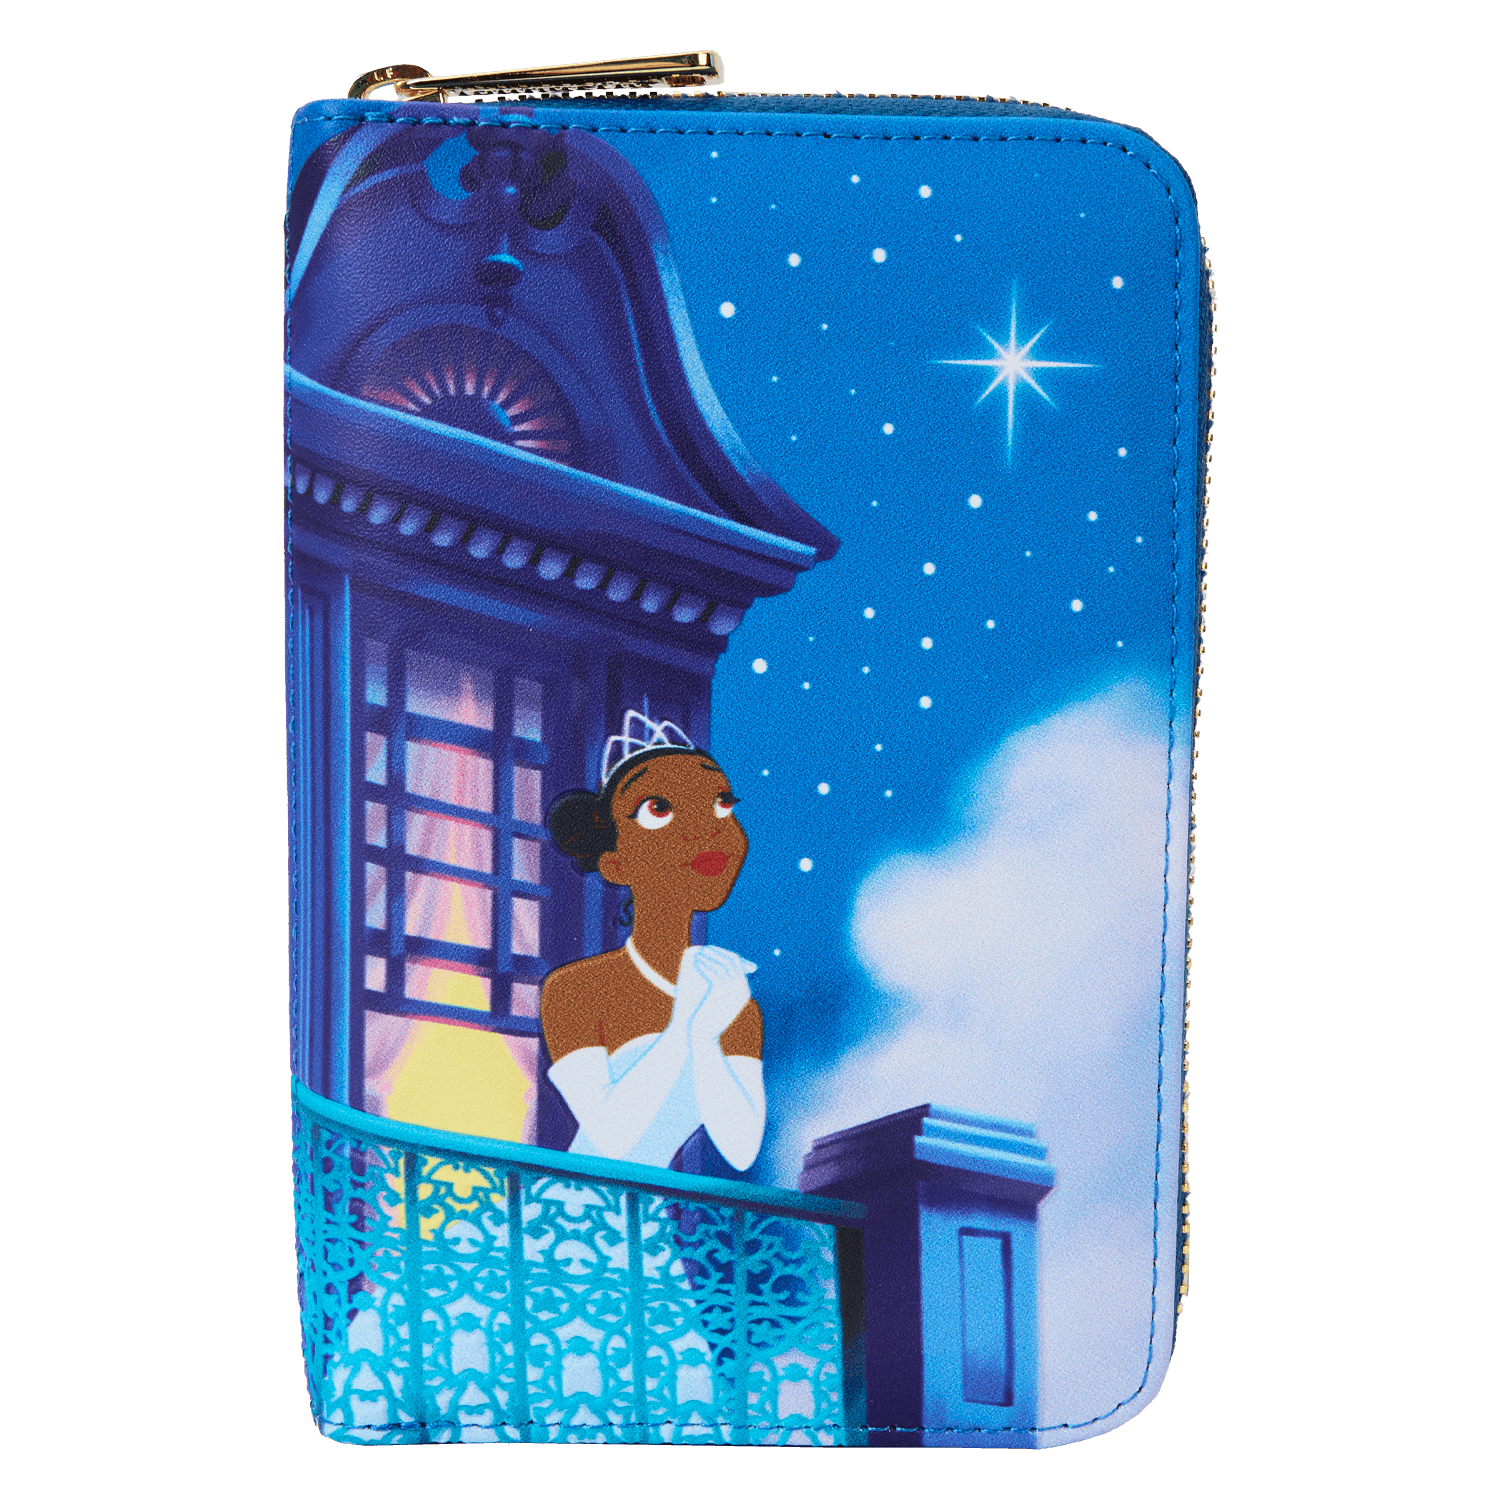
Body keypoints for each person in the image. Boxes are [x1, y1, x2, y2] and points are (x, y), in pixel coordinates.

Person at [541, 710, 765, 1172]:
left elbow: (741, 1149)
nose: (709, 828)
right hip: (573, 1207)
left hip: (654, 1215)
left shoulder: (731, 1000)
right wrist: (685, 1026)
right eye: (659, 809)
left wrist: (705, 1037)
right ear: (615, 862)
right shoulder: (576, 989)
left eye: (721, 804)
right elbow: (610, 1137)